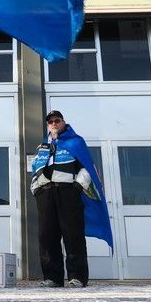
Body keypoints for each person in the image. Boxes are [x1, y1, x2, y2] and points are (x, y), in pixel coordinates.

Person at [30, 110, 99, 288]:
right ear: (47, 125)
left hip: (68, 192)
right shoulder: (42, 146)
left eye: (57, 120)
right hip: (45, 194)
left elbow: (88, 168)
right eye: (50, 121)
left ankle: (77, 277)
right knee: (47, 236)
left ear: (63, 122)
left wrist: (77, 187)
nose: (53, 123)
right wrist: (36, 187)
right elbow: (35, 167)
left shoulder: (76, 142)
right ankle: (52, 277)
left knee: (73, 234)